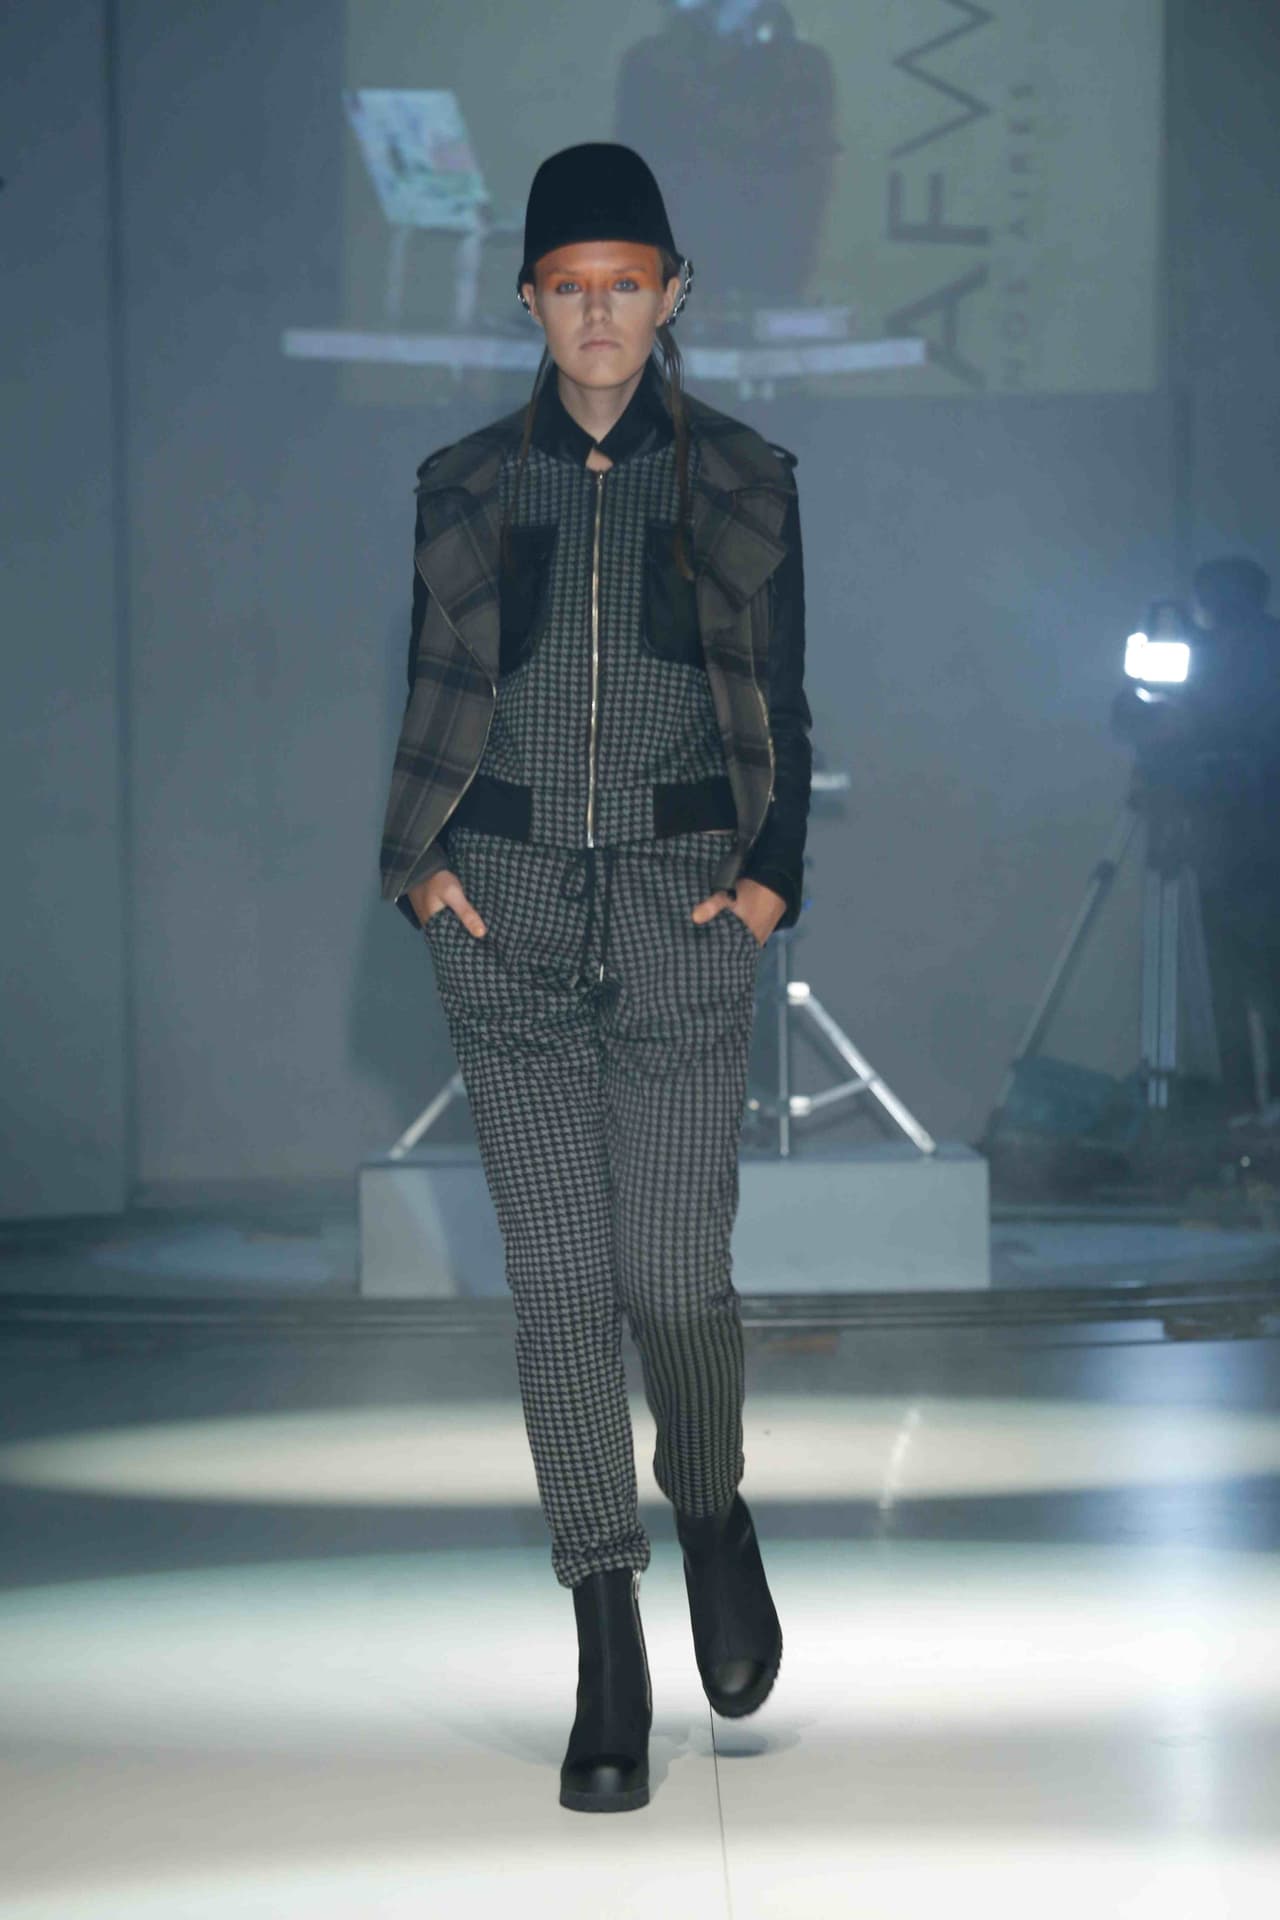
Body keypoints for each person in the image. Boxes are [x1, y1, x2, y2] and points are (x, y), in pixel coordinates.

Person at [378, 142, 812, 1813]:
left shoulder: (747, 478)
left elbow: (786, 700)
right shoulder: (464, 483)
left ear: (674, 293)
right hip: (505, 909)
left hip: (684, 901)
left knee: (674, 1274)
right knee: (561, 1284)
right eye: (569, 285)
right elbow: (430, 696)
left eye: (626, 282)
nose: (599, 311)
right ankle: (606, 1636)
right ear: (530, 302)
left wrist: (769, 884)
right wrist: (422, 869)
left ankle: (708, 1499)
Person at [1112, 556, 1280, 1115]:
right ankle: (1249, 1108)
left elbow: (1235, 745)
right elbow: (1144, 720)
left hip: (1244, 845)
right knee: (1241, 981)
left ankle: (1248, 1107)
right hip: (1222, 844)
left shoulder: (1242, 655)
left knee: (1250, 980)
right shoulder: (1205, 651)